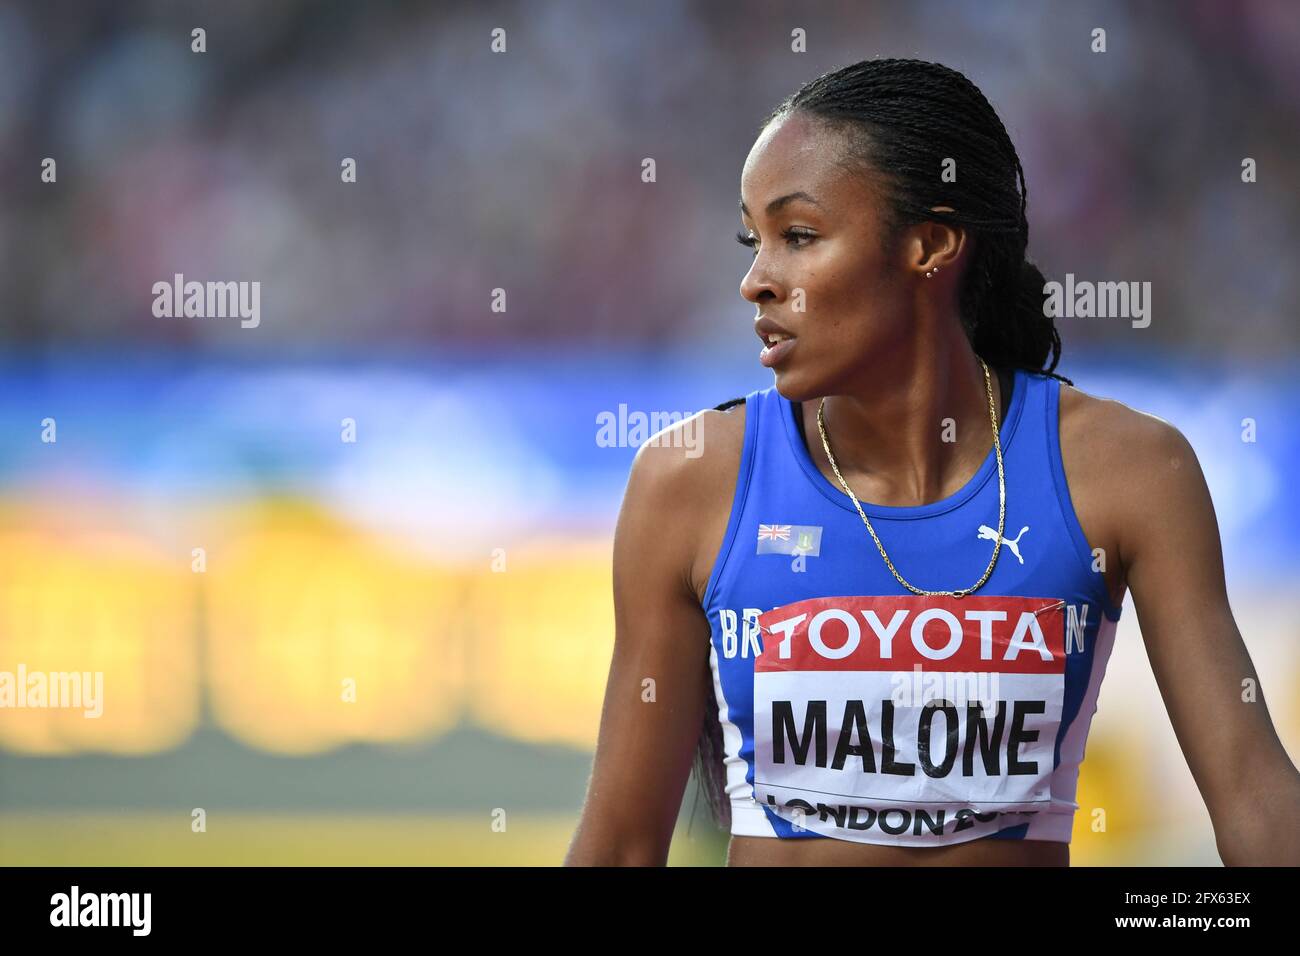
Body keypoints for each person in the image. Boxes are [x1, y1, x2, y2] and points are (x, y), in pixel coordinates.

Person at [564, 58, 1300, 866]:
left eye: (798, 237)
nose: (755, 283)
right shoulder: (688, 482)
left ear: (931, 245)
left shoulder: (1130, 472)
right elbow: (622, 848)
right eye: (754, 240)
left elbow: (1257, 807)